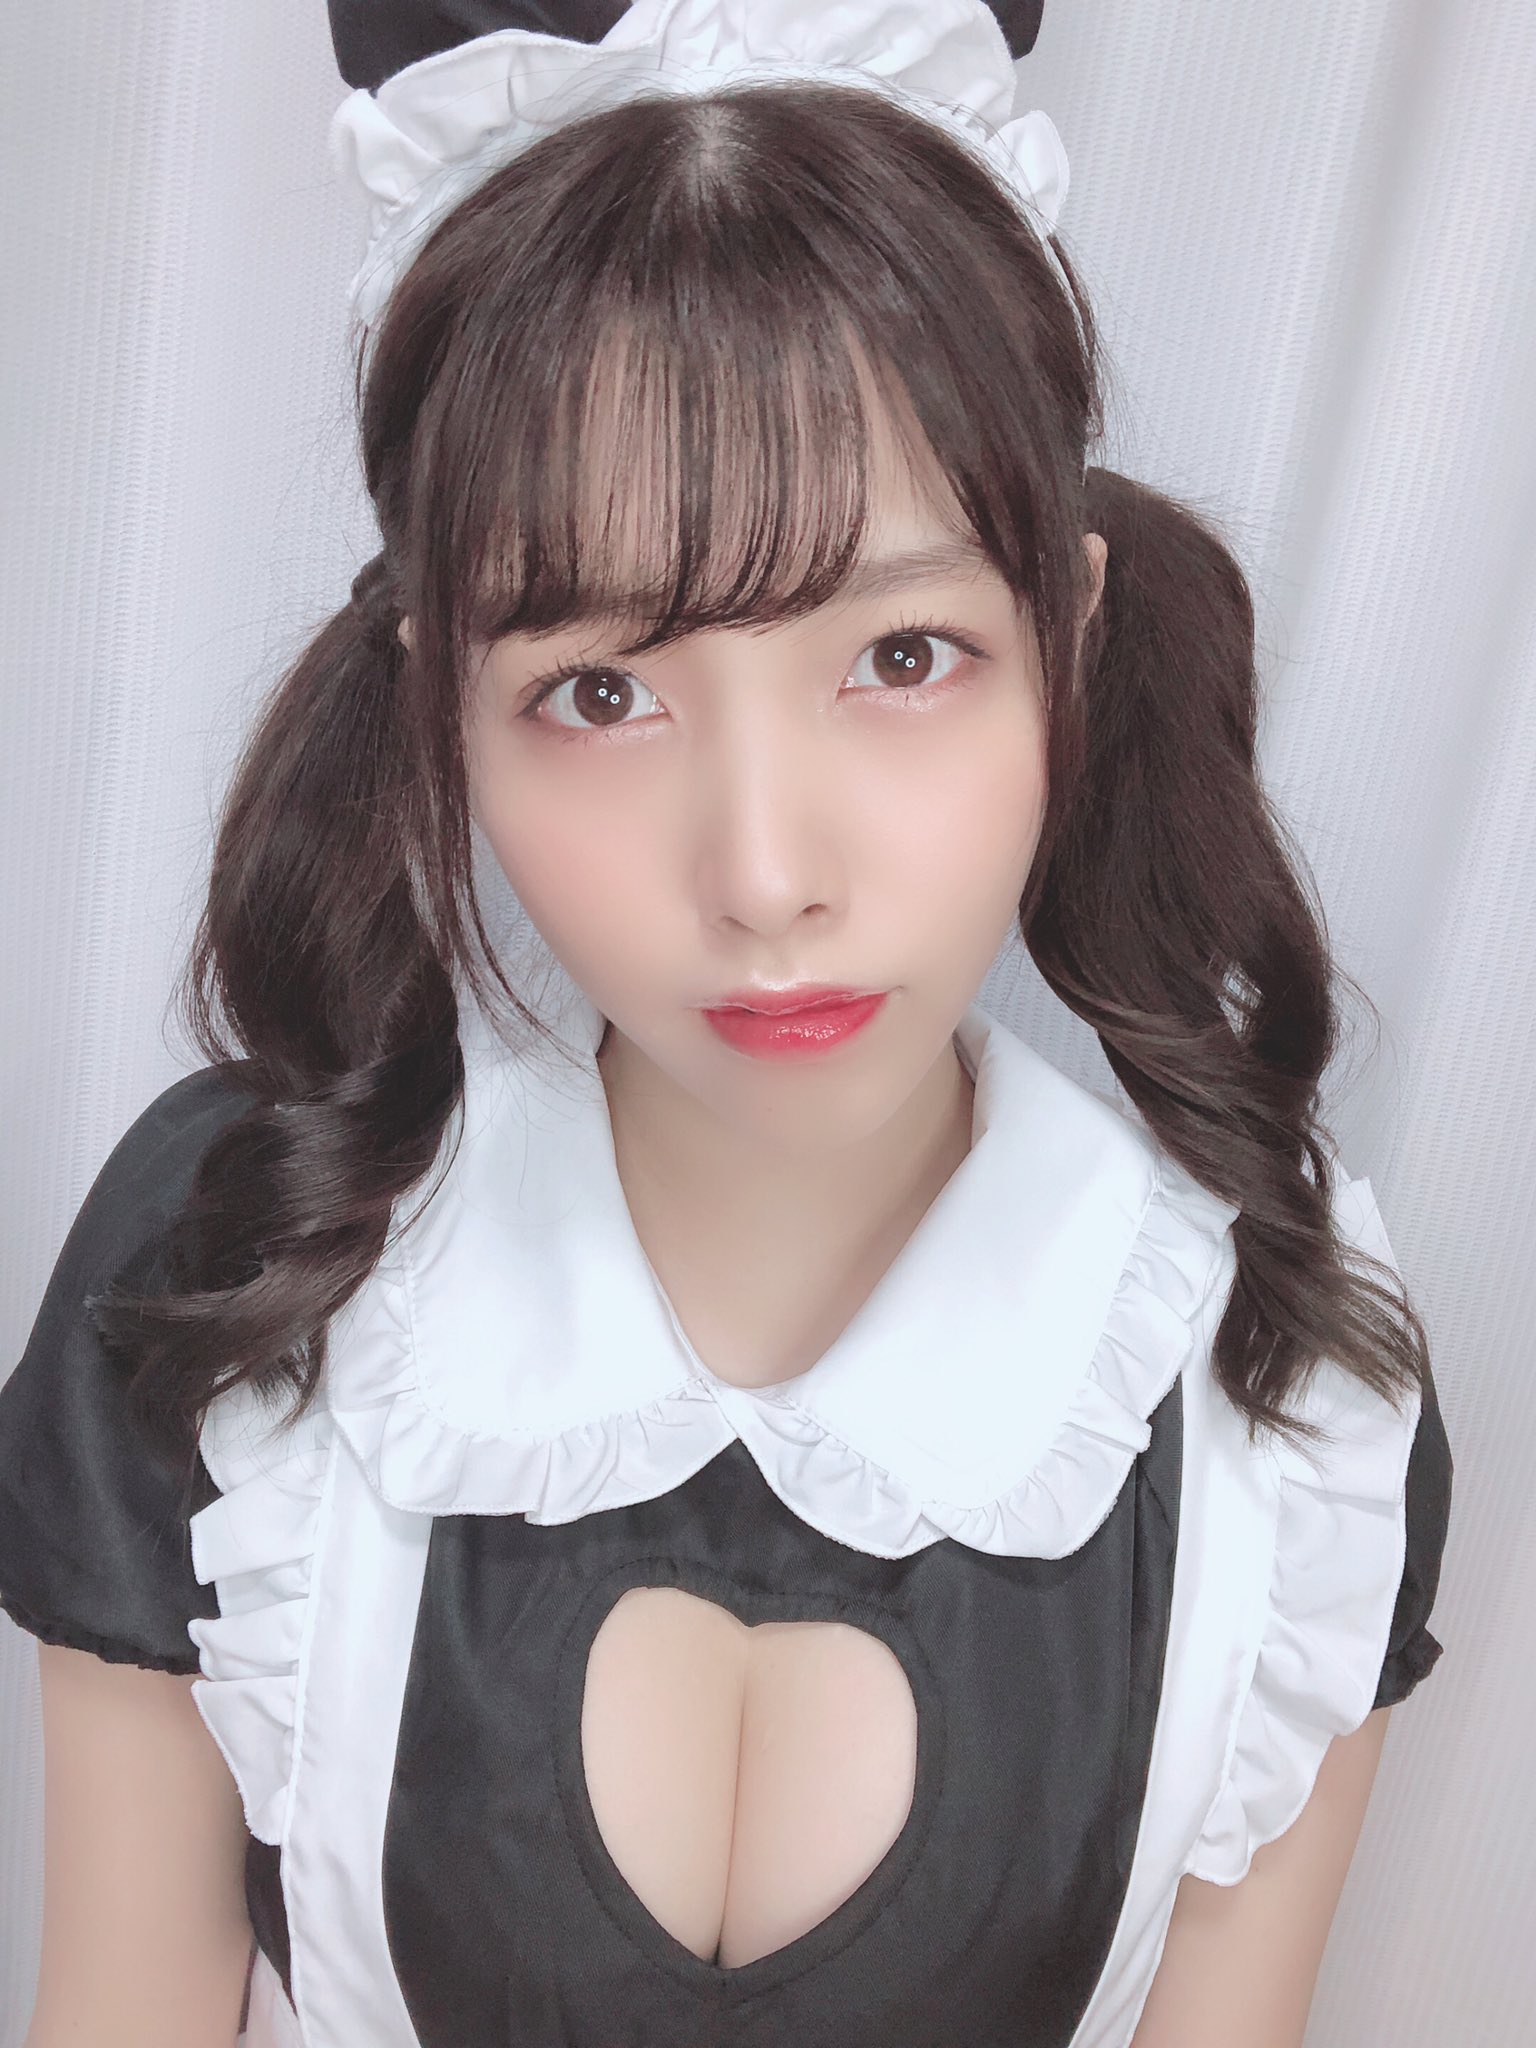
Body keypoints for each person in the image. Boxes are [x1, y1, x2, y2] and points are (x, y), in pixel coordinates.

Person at [0, 2, 1453, 2044]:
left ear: (1074, 634)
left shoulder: (1281, 1387)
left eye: (905, 656)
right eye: (603, 692)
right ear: (436, 704)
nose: (766, 873)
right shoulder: (239, 1269)